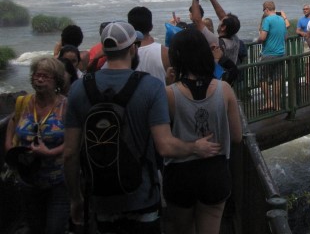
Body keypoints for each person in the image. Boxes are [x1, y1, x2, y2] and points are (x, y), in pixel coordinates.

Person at [64, 21, 219, 233]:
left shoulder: (78, 88)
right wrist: (195, 147)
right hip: (142, 196)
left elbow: (70, 153)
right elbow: (165, 146)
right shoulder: (151, 86)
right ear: (133, 49)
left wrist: (75, 198)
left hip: (99, 198)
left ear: (104, 51)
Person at [163, 28, 242, 234]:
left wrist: (168, 84)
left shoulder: (168, 93)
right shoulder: (224, 89)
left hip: (180, 174)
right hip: (215, 171)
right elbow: (236, 136)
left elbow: (162, 141)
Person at [4, 56, 69, 234]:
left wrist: (50, 152)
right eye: (36, 75)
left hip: (57, 181)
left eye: (45, 76)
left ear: (56, 80)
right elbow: (12, 121)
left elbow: (73, 140)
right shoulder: (23, 102)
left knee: (55, 228)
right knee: (35, 227)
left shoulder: (65, 106)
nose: (39, 79)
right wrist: (9, 146)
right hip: (28, 180)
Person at [257, 0, 289, 111]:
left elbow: (263, 37)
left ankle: (268, 102)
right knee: (277, 79)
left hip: (268, 54)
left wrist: (258, 40)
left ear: (266, 9)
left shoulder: (267, 20)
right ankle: (277, 105)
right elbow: (285, 37)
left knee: (262, 79)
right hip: (281, 54)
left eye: (263, 10)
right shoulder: (281, 19)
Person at [128, 6, 171, 85]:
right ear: (151, 27)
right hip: (161, 96)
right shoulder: (166, 52)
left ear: (130, 28)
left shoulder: (123, 54)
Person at [200, 0, 242, 65]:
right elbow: (223, 16)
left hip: (218, 77)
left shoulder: (216, 42)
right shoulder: (235, 39)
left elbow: (197, 21)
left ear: (223, 27)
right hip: (229, 75)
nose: (220, 20)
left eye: (221, 21)